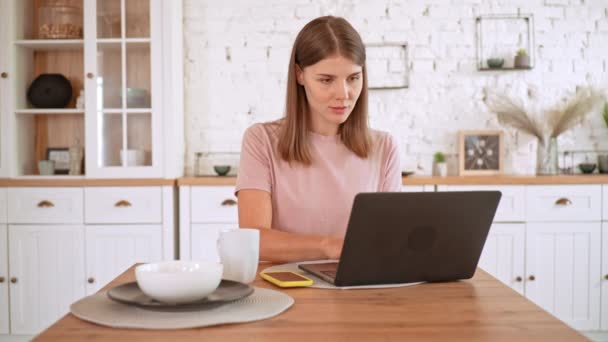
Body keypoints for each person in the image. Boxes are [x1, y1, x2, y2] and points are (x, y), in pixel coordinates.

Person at [236, 16, 401, 263]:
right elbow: (254, 240)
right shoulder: (261, 140)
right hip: (285, 288)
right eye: (326, 80)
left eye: (353, 78)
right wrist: (329, 247)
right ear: (299, 75)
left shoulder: (384, 147)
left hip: (359, 290)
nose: (343, 94)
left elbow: (390, 239)